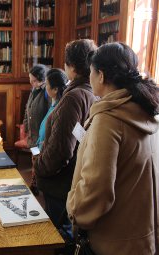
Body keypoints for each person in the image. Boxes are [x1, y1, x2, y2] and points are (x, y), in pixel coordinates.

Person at [67, 42, 159, 254]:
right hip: (143, 234)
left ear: (100, 75)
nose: (89, 77)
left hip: (113, 240)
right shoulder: (146, 109)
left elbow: (96, 190)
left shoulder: (108, 120)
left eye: (91, 71)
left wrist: (74, 209)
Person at [32, 39, 97, 239]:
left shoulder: (73, 97)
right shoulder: (93, 91)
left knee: (54, 235)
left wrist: (39, 166)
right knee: (66, 230)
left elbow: (61, 149)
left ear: (70, 67)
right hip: (74, 177)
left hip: (61, 181)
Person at [15, 64, 50, 149]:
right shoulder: (34, 89)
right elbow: (27, 108)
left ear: (42, 80)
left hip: (42, 138)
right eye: (30, 78)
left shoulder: (47, 92)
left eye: (34, 80)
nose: (31, 82)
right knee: (34, 158)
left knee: (38, 159)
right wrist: (26, 126)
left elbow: (50, 114)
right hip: (31, 136)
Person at [36, 68, 68, 150]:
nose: (45, 87)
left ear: (55, 89)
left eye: (46, 84)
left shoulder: (59, 109)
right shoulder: (53, 105)